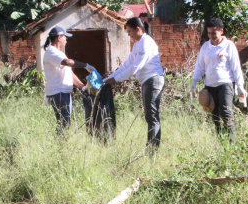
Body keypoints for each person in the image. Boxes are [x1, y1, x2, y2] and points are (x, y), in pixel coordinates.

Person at [103, 17, 165, 152]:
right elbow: (127, 64)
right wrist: (110, 77)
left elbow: (136, 67)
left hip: (153, 80)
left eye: (130, 32)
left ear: (138, 29)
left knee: (152, 116)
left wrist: (116, 80)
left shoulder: (146, 42)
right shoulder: (138, 44)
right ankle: (151, 148)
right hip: (147, 81)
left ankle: (152, 151)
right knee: (149, 116)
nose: (129, 35)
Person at [190, 17, 247, 142]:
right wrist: (194, 81)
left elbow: (236, 67)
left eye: (214, 33)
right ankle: (222, 144)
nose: (211, 36)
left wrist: (240, 85)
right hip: (210, 87)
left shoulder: (228, 46)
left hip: (225, 84)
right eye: (209, 33)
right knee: (215, 116)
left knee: (226, 113)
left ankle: (230, 144)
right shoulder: (205, 47)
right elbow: (200, 66)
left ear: (221, 31)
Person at [42, 26, 95, 133]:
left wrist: (82, 87)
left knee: (65, 123)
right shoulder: (51, 52)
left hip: (63, 93)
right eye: (65, 37)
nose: (66, 40)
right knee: (64, 124)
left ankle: (62, 144)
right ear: (59, 38)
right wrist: (85, 65)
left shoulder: (59, 53)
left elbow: (68, 72)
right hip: (58, 93)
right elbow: (68, 62)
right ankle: (61, 146)